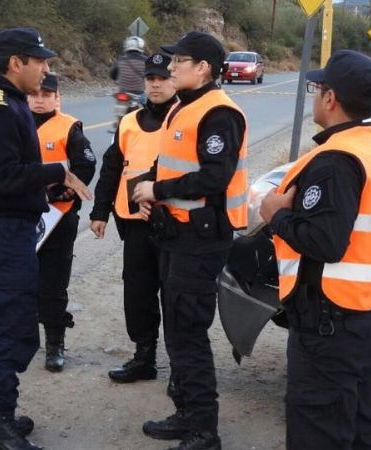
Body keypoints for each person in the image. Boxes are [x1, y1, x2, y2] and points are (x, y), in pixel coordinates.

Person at [259, 49, 371, 450]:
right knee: (358, 429)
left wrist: (276, 215)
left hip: (332, 325)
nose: (314, 96)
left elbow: (325, 242)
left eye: (317, 88)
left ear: (330, 99)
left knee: (320, 434)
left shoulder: (336, 161)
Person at [0, 27, 92, 450]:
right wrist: (58, 172)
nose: (46, 69)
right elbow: (3, 178)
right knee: (12, 324)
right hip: (4, 231)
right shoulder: (3, 109)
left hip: (0, 229)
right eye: (39, 61)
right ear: (15, 63)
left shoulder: (10, 101)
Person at [132, 32, 248, 450]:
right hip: (176, 231)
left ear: (203, 68)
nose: (171, 67)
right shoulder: (184, 107)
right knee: (177, 328)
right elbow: (171, 165)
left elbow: (215, 176)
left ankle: (204, 430)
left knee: (188, 330)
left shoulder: (220, 113)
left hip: (201, 236)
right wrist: (149, 187)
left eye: (179, 60)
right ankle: (186, 412)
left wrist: (157, 191)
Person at [90, 53, 177, 383]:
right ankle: (144, 357)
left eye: (162, 78)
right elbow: (112, 168)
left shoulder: (183, 121)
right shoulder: (129, 122)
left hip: (172, 222)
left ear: (174, 80)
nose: (155, 84)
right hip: (134, 222)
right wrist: (100, 212)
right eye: (150, 78)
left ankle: (180, 367)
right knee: (138, 292)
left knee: (173, 295)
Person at [28, 72, 97, 372]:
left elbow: (86, 165)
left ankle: (55, 343)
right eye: (36, 94)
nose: (40, 100)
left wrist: (60, 190)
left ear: (58, 98)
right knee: (19, 282)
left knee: (53, 284)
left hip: (58, 215)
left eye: (47, 95)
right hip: (22, 214)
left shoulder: (69, 128)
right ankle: (22, 341)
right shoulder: (16, 123)